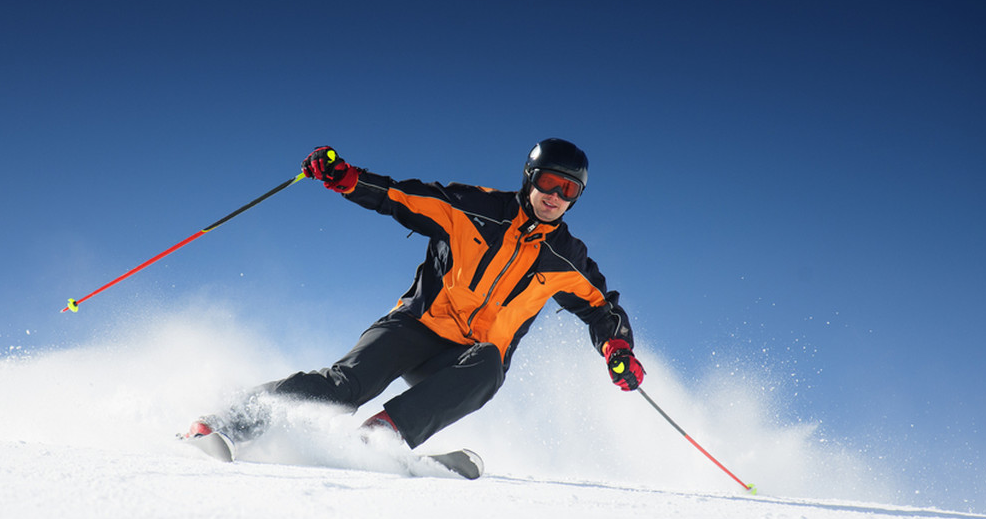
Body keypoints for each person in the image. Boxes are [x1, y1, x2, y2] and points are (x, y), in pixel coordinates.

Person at [186, 138, 645, 452]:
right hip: (415, 326)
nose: (554, 196)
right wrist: (347, 178)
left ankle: (380, 437)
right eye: (548, 182)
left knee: (490, 366)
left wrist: (616, 348)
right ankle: (227, 421)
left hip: (461, 361)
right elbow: (400, 196)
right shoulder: (473, 208)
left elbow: (603, 308)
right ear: (530, 177)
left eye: (568, 190)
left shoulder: (565, 258)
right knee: (345, 388)